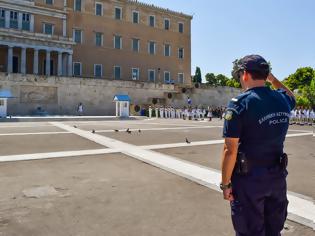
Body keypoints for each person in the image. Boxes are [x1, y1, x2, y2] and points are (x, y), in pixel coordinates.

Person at [220, 55, 295, 236]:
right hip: (277, 178)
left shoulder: (240, 104)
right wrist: (273, 79)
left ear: (245, 74)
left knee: (250, 231)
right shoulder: (281, 99)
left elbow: (230, 150)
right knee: (273, 230)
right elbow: (292, 96)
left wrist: (225, 184)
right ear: (266, 74)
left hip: (249, 182)